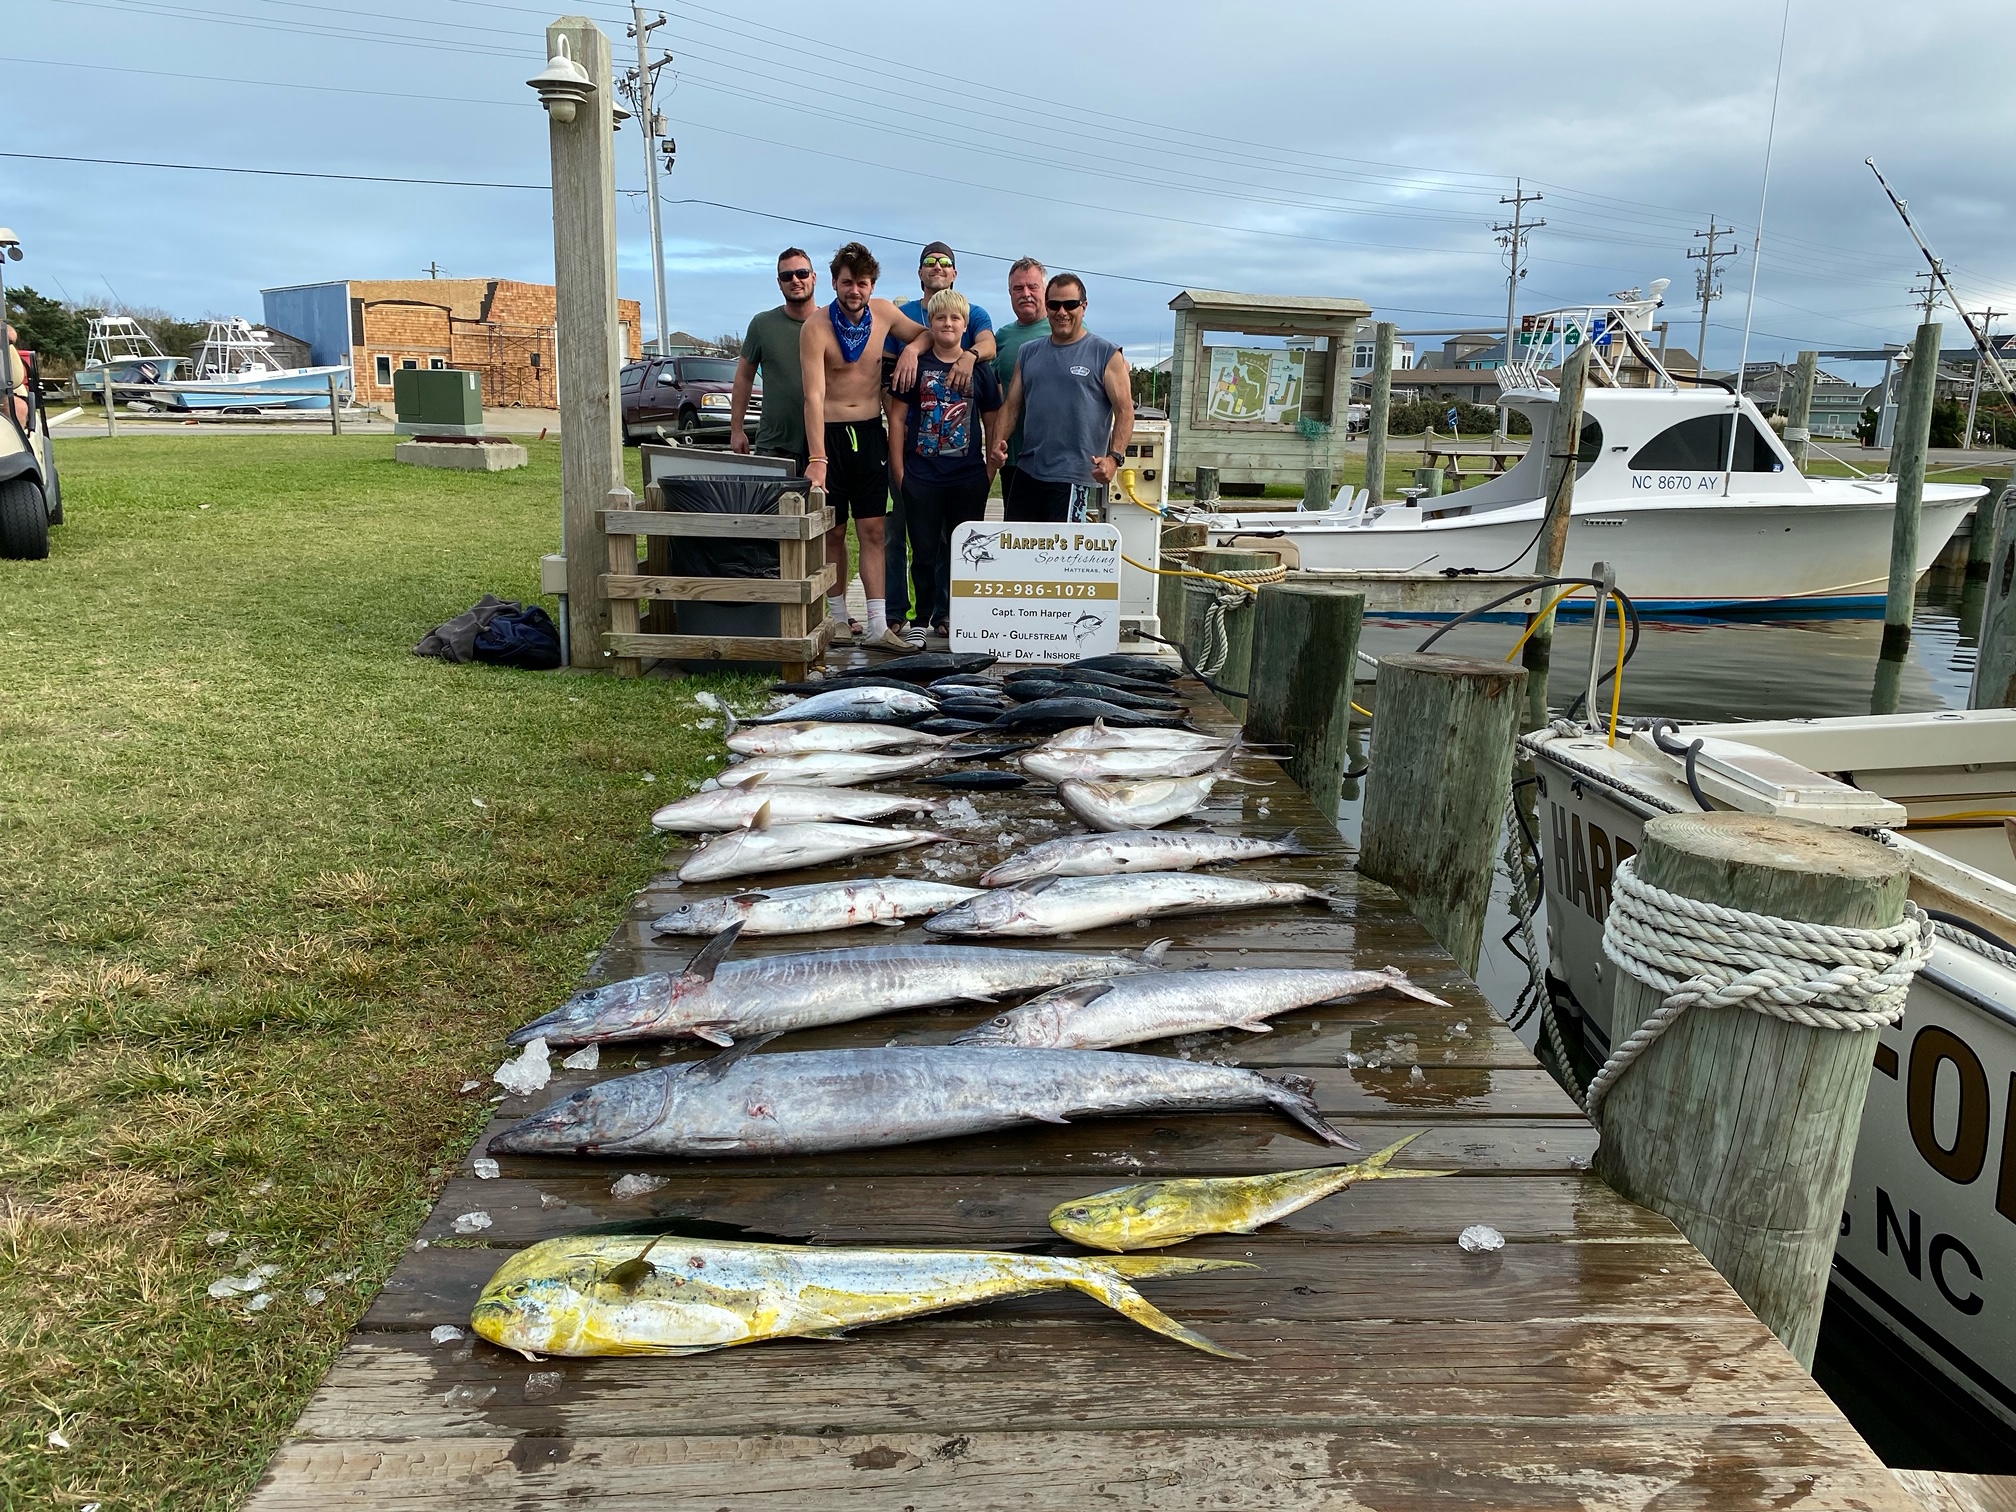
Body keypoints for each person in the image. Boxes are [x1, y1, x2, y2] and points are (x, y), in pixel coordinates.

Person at [800, 242, 928, 650]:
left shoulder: (887, 313)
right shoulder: (816, 327)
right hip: (830, 435)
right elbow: (813, 396)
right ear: (835, 282)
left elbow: (925, 334)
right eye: (847, 282)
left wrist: (910, 349)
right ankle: (837, 620)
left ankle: (877, 623)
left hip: (870, 433)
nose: (855, 290)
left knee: (874, 530)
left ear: (873, 285)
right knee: (833, 534)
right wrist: (817, 457)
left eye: (863, 283)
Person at [882, 242, 995, 642]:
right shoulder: (914, 350)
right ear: (930, 322)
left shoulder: (979, 359)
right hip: (920, 469)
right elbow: (896, 416)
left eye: (955, 319)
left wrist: (990, 468)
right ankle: (917, 616)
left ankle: (955, 615)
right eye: (940, 319)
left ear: (965, 323)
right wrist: (898, 468)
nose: (948, 324)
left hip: (966, 473)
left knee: (964, 547)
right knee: (921, 549)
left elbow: (992, 418)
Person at [990, 273, 1133, 524]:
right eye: (1054, 305)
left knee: (1062, 558)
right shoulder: (1028, 353)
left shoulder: (1106, 354)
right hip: (1028, 471)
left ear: (1084, 307)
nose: (1062, 312)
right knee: (1016, 552)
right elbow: (1012, 405)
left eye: (1070, 304)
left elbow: (1125, 411)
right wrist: (999, 442)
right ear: (1047, 307)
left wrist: (1114, 458)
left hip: (1074, 476)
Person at [729, 248, 817, 472]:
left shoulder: (830, 323)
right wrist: (736, 429)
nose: (795, 280)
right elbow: (744, 377)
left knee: (826, 508)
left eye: (802, 273)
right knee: (772, 507)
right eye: (787, 276)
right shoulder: (762, 325)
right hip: (775, 444)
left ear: (814, 277)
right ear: (779, 283)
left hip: (822, 446)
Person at [989, 257, 1049, 507]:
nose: (1025, 294)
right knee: (1016, 536)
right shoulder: (1002, 337)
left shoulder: (1066, 329)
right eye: (1018, 288)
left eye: (1032, 287)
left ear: (1045, 290)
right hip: (1013, 458)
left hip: (1055, 461)